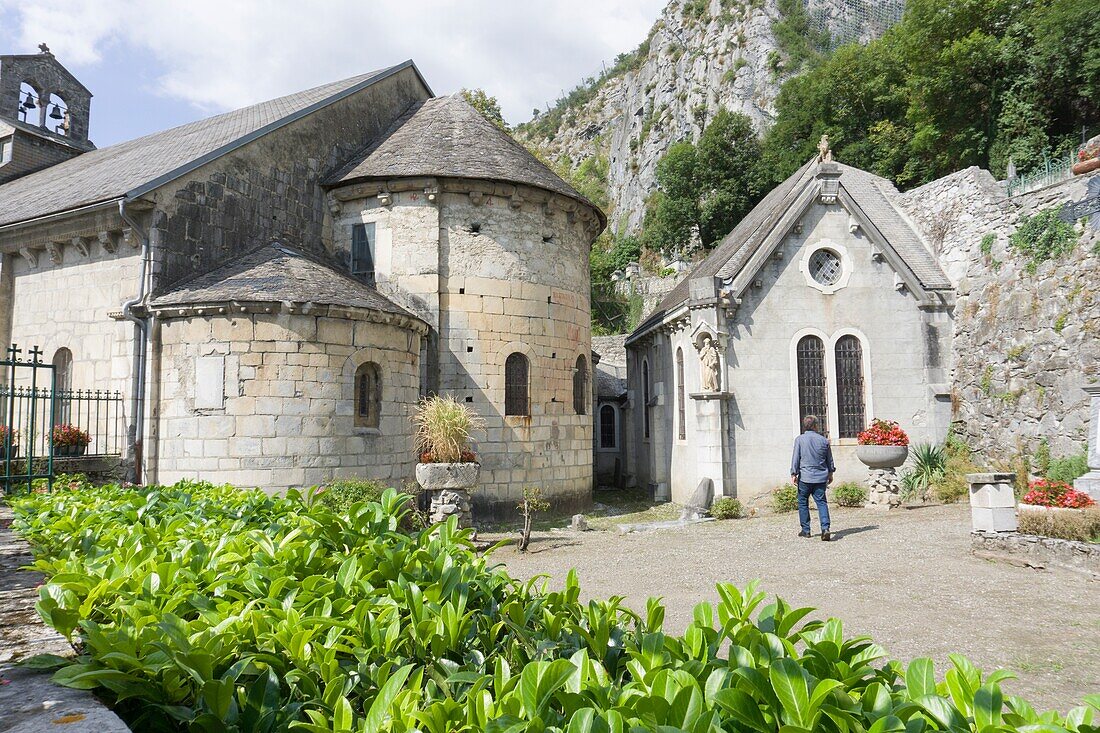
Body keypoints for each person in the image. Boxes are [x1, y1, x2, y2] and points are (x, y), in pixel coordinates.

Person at [790, 414, 834, 541]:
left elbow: (796, 458)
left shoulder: (799, 440)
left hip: (805, 477)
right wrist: (831, 473)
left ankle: (806, 530)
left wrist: (793, 473)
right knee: (821, 503)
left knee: (803, 502)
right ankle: (825, 528)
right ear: (815, 426)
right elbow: (829, 459)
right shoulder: (824, 440)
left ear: (805, 426)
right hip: (820, 477)